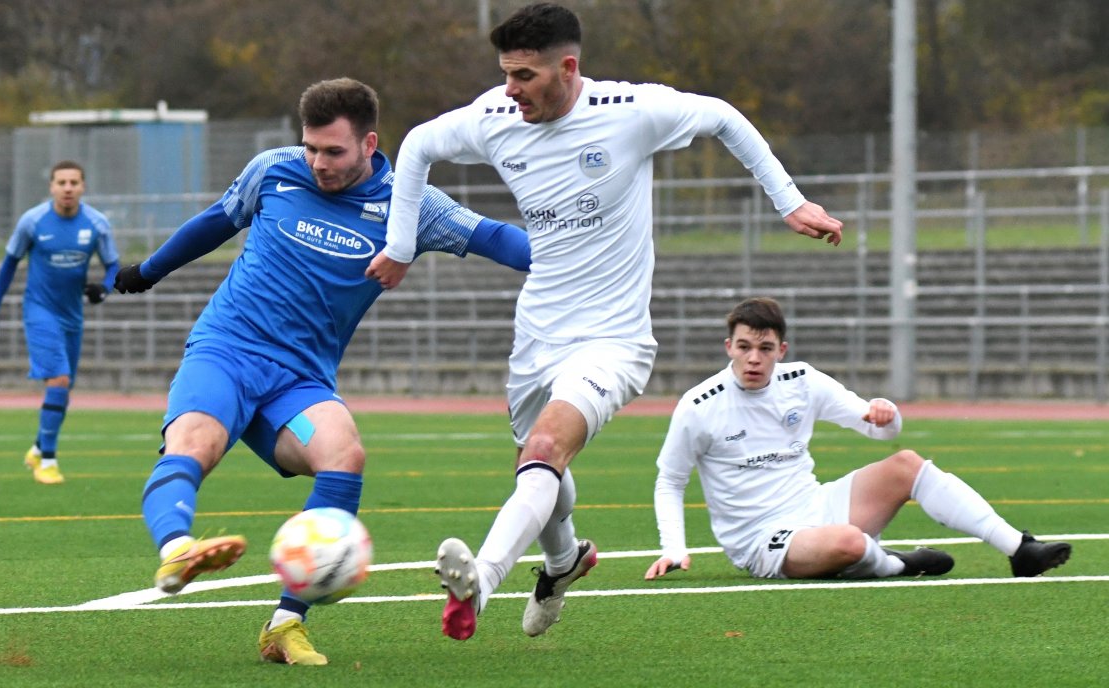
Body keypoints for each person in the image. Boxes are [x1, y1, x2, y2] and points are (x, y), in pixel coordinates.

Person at [366, 2, 844, 641]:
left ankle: (480, 581)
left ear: (567, 68)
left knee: (543, 450)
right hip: (536, 332)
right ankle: (562, 561)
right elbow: (419, 145)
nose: (511, 90)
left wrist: (789, 202)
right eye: (506, 74)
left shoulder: (631, 112)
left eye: (525, 76)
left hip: (612, 340)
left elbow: (724, 117)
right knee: (538, 474)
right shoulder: (496, 117)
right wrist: (401, 246)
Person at [112, 78, 531, 666]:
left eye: (333, 151)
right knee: (194, 442)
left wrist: (566, 254)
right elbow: (216, 221)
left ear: (369, 144)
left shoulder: (407, 203)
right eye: (310, 147)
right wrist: (148, 271)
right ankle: (179, 548)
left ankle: (285, 625)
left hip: (299, 383)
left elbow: (492, 237)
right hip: (226, 351)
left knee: (344, 453)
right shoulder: (275, 171)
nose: (317, 163)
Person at [644, 296, 1072, 584]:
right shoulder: (699, 404)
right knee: (848, 541)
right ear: (728, 347)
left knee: (906, 463)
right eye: (744, 347)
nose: (754, 358)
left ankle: (1020, 549)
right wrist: (674, 548)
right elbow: (671, 481)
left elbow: (879, 429)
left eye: (765, 348)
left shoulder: (803, 380)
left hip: (818, 505)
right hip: (762, 538)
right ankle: (899, 564)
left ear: (782, 349)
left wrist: (886, 411)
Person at [0, 160, 119, 485]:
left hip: (72, 314)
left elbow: (113, 266)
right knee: (57, 380)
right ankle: (48, 461)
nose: (68, 188)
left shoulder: (97, 224)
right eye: (62, 182)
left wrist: (104, 289)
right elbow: (8, 266)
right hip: (40, 311)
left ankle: (37, 447)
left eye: (74, 182)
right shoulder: (32, 221)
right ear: (52, 187)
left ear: (83, 186)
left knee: (64, 387)